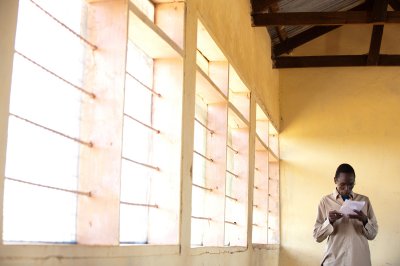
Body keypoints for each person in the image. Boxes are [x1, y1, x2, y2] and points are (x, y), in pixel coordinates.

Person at [313, 163, 378, 266]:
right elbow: (317, 237)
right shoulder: (325, 202)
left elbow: (373, 235)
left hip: (359, 260)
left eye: (351, 184)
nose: (347, 188)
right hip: (334, 261)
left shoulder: (364, 201)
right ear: (335, 180)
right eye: (342, 184)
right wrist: (329, 221)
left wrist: (365, 220)